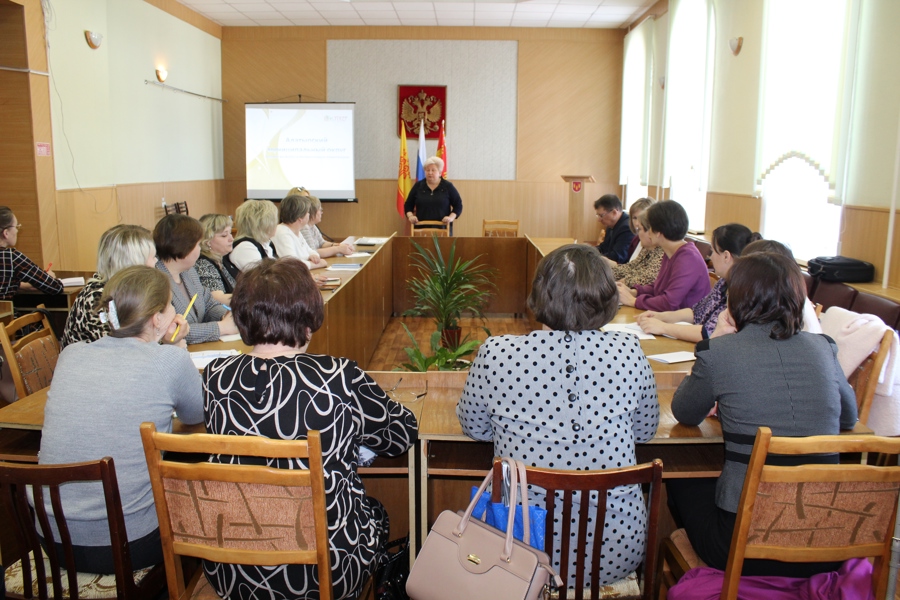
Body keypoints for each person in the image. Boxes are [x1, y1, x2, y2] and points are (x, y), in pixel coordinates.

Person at [202, 257, 418, 600]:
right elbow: (401, 434)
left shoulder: (216, 377)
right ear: (308, 317)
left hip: (235, 568)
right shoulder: (338, 376)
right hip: (323, 573)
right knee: (376, 513)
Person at [457, 244, 659, 588]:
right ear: (607, 297)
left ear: (539, 296)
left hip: (519, 549)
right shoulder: (629, 350)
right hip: (616, 548)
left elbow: (474, 427)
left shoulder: (497, 353)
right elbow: (646, 430)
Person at [667, 252, 857, 577]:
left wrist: (719, 341)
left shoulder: (720, 352)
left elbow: (684, 412)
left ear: (736, 298)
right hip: (825, 542)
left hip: (741, 549)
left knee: (679, 479)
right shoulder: (824, 347)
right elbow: (848, 418)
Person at [38, 265, 203, 574]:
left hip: (52, 539)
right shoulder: (169, 360)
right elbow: (197, 415)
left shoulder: (72, 354)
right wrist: (177, 347)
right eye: (170, 307)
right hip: (131, 542)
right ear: (157, 318)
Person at [635, 224, 761, 342]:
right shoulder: (723, 282)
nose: (710, 257)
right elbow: (697, 312)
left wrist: (663, 327)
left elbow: (709, 332)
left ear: (726, 256)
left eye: (712, 251)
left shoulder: (742, 291)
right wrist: (661, 316)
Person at [61, 224, 157, 348]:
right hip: (91, 365)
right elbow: (116, 349)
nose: (156, 262)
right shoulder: (97, 298)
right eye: (153, 257)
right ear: (134, 262)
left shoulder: (126, 292)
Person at [154, 214, 237, 344]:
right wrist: (221, 327)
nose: (200, 249)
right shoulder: (155, 281)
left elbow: (208, 303)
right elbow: (171, 332)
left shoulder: (189, 272)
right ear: (184, 247)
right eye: (198, 244)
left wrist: (226, 316)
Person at [617, 200, 710, 311]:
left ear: (659, 232)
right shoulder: (671, 251)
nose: (648, 232)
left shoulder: (688, 258)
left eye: (649, 228)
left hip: (684, 323)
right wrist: (634, 292)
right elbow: (658, 287)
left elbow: (669, 302)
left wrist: (634, 301)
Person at [0, 206, 63, 300]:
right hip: (6, 314)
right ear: (6, 233)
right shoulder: (12, 257)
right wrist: (49, 277)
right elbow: (56, 288)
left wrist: (18, 284)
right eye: (16, 227)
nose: (17, 230)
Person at [610, 198, 664, 287]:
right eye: (634, 218)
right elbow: (631, 267)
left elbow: (648, 278)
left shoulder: (662, 251)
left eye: (640, 229)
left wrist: (625, 281)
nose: (638, 234)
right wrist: (605, 272)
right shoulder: (646, 247)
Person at [404, 156, 462, 234]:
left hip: (443, 229)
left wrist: (450, 218)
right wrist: (410, 216)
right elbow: (408, 205)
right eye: (427, 170)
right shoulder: (418, 186)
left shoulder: (448, 186)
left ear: (440, 173)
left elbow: (458, 205)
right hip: (421, 230)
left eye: (433, 170)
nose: (430, 172)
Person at [272, 194, 328, 270]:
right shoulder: (282, 232)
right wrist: (318, 264)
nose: (309, 214)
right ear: (300, 218)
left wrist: (314, 255)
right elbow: (293, 264)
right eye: (308, 212)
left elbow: (310, 250)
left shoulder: (296, 230)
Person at [226, 199, 279, 273]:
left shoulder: (266, 243)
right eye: (275, 220)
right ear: (265, 224)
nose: (277, 224)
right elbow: (264, 279)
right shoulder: (245, 248)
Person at [196, 214, 235, 303]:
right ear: (207, 241)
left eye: (231, 233)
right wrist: (251, 298)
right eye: (224, 235)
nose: (231, 239)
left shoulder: (220, 259)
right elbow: (217, 298)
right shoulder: (203, 264)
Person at [594, 194, 634, 264]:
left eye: (601, 215)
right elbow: (604, 247)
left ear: (614, 212)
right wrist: (588, 251)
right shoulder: (611, 225)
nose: (599, 220)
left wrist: (594, 258)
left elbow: (617, 257)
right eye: (598, 215)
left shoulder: (627, 227)